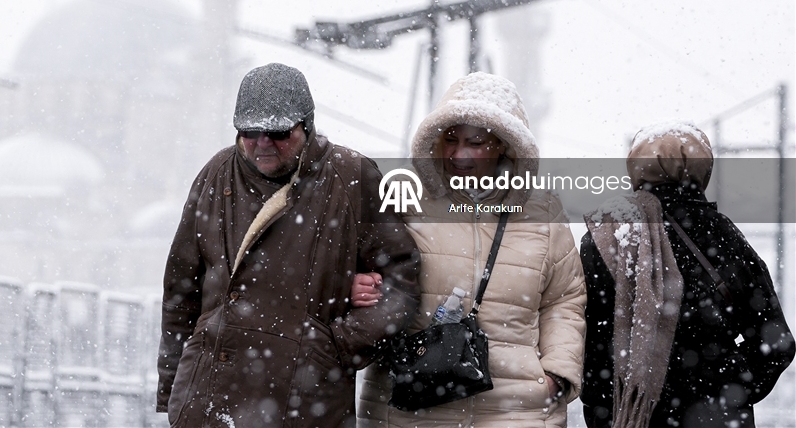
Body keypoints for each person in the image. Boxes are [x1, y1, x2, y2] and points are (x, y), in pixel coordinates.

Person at [157, 63, 421, 428]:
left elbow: (402, 280)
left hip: (306, 402)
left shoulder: (351, 176)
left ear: (306, 127)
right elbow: (180, 290)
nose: (263, 142)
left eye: (278, 132)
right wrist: (173, 386)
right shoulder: (217, 173)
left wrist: (336, 345)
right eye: (250, 130)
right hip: (209, 397)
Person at [354, 72, 586, 428]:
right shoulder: (402, 195)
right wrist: (355, 285)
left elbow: (565, 299)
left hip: (516, 409)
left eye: (475, 142)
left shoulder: (543, 211)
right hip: (410, 405)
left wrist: (556, 373)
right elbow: (351, 266)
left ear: (504, 145)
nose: (459, 154)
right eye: (450, 139)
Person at [580, 122, 794, 428]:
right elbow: (776, 342)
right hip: (715, 417)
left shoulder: (607, 235)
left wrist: (605, 404)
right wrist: (727, 387)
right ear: (702, 168)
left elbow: (587, 337)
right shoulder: (722, 235)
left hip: (629, 416)